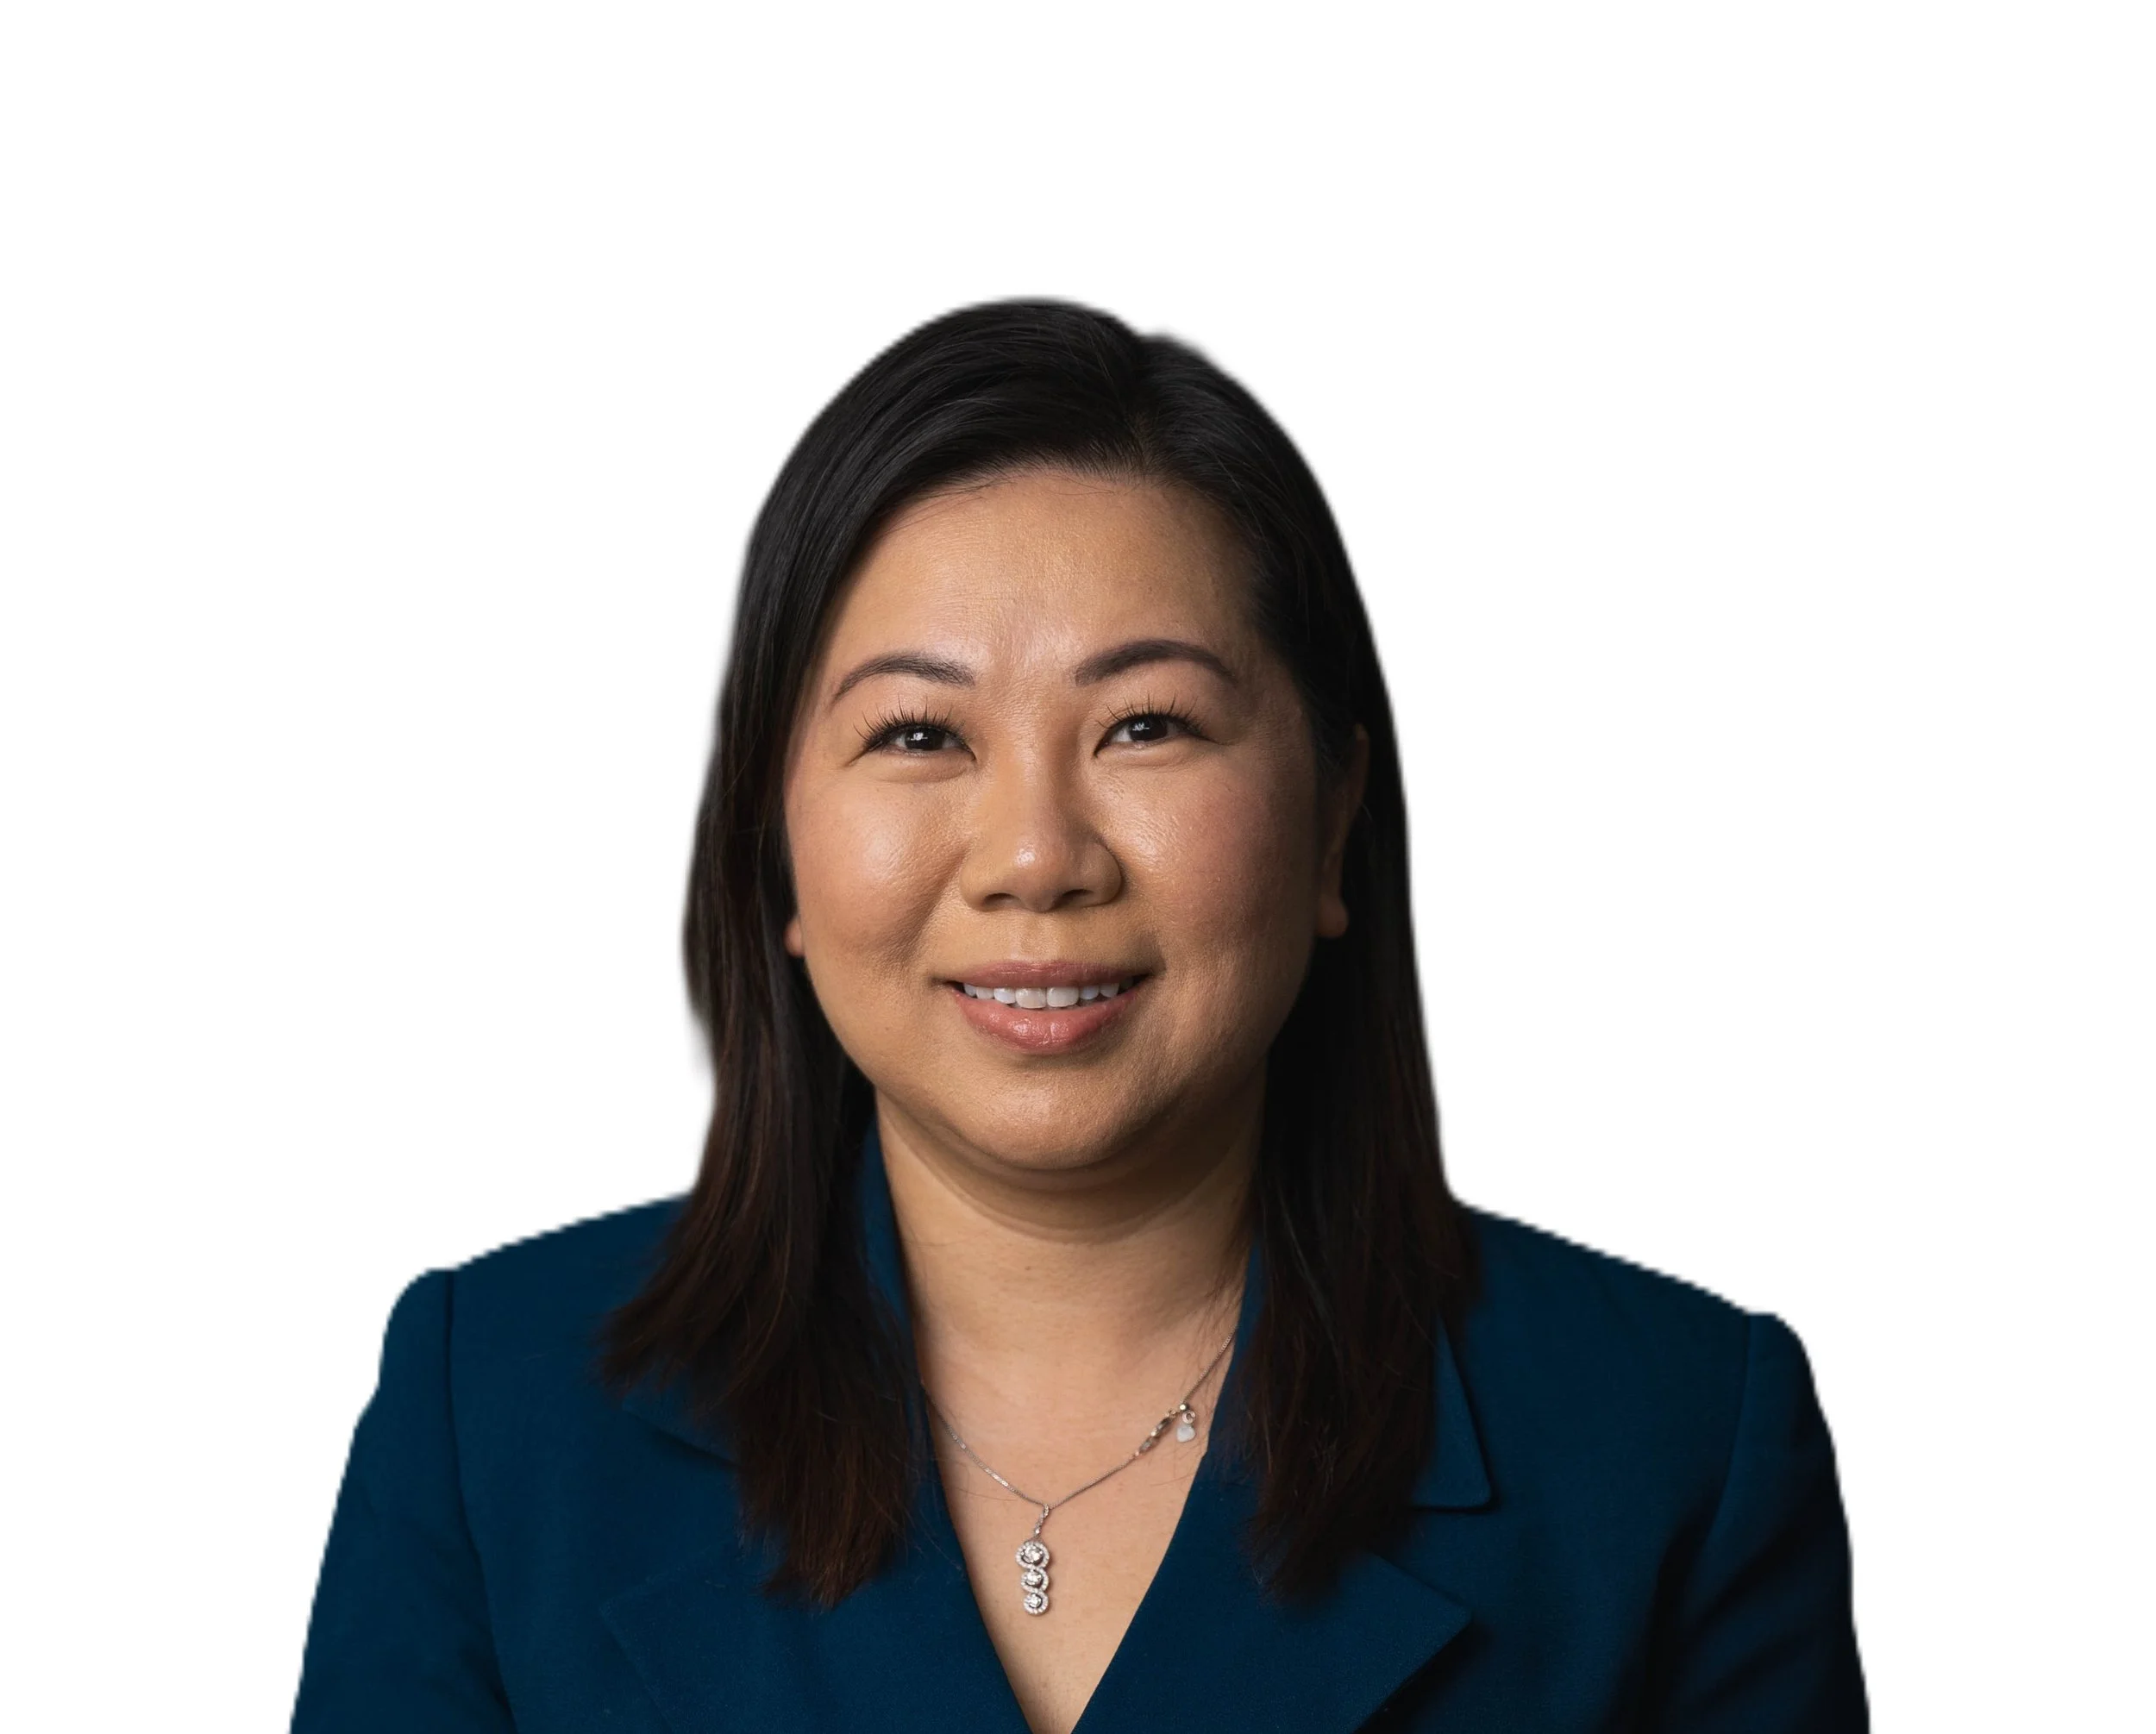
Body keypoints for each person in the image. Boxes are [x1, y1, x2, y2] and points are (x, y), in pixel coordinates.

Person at [291, 300, 1867, 1733]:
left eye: (1147, 724)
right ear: (776, 842)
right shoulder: (492, 1423)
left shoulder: (1675, 1448)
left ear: (1333, 823)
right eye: (920, 733)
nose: (1037, 856)